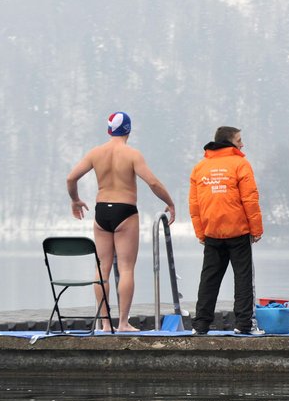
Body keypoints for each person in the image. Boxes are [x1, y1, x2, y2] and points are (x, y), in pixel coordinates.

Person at [66, 111, 176, 332]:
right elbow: (152, 182)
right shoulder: (132, 154)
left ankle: (106, 324)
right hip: (124, 210)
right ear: (128, 129)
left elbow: (71, 177)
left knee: (102, 269)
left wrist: (75, 200)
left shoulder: (95, 153)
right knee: (126, 269)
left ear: (109, 130)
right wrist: (170, 203)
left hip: (101, 211)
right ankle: (123, 322)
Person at [189, 126, 264, 335]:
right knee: (243, 278)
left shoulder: (199, 168)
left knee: (209, 279)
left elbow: (194, 205)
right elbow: (250, 199)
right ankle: (243, 325)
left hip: (212, 232)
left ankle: (201, 325)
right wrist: (256, 229)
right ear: (230, 142)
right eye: (239, 140)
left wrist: (200, 233)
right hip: (238, 230)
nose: (242, 144)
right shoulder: (240, 164)